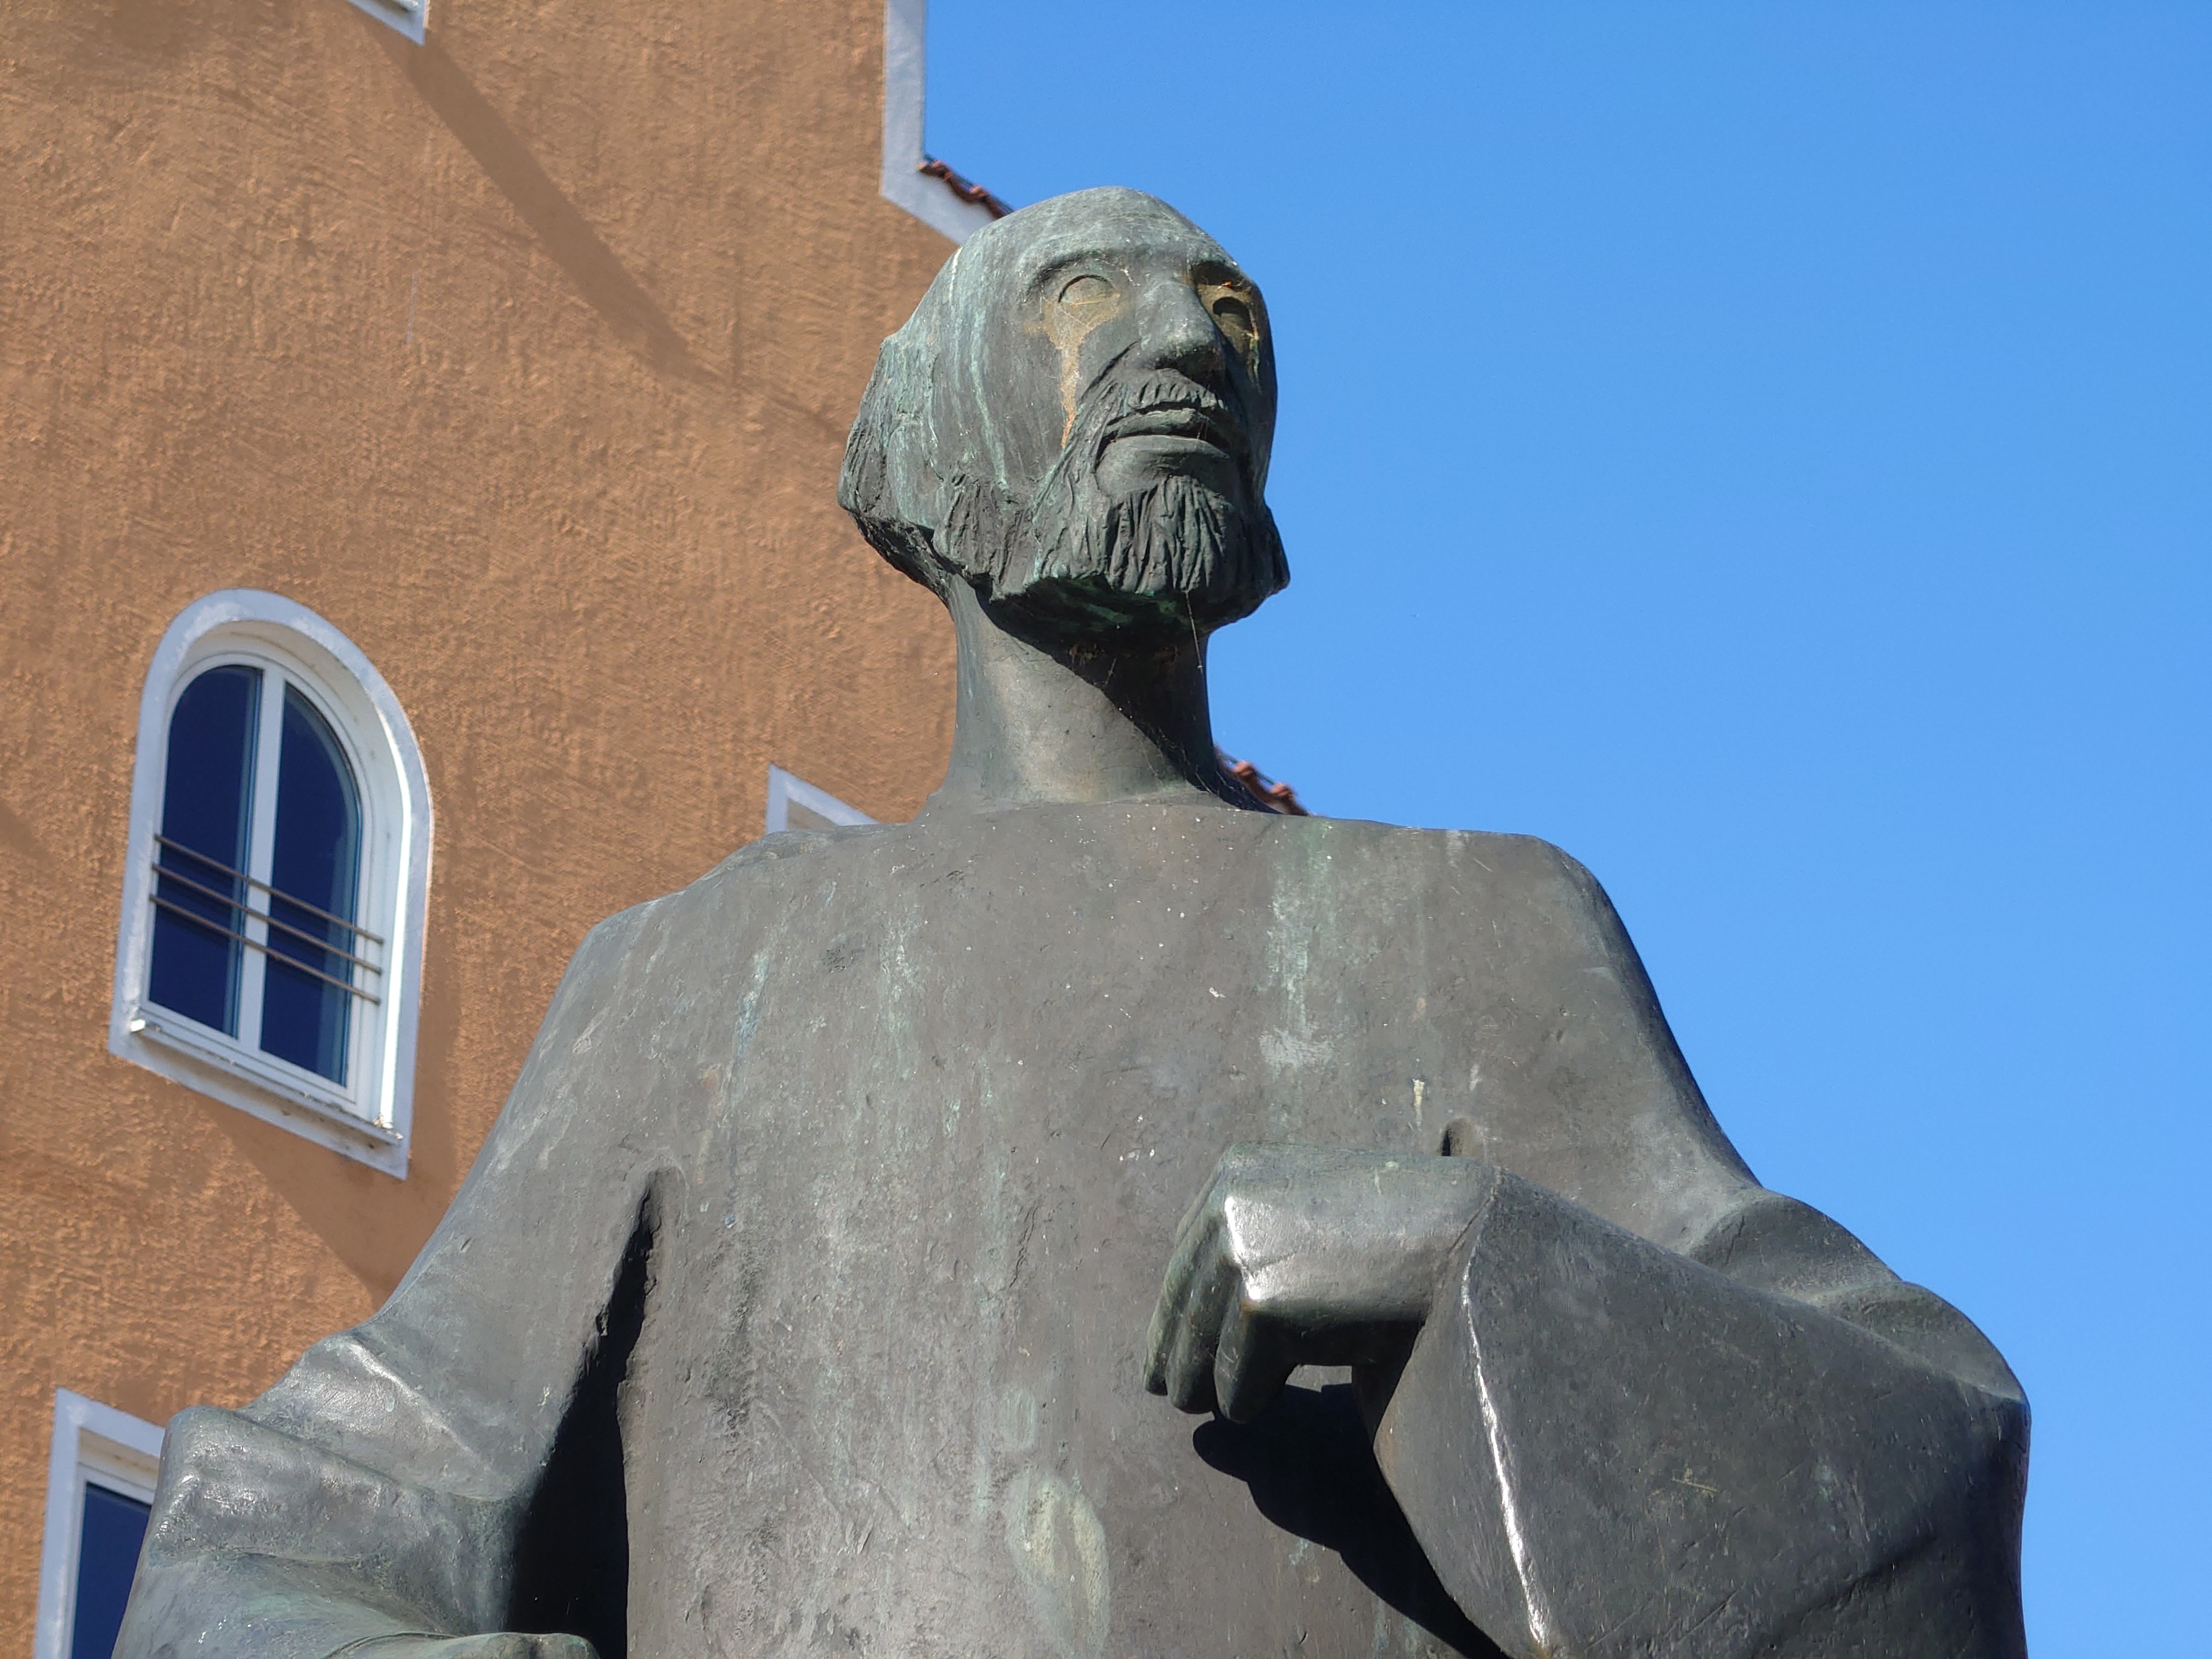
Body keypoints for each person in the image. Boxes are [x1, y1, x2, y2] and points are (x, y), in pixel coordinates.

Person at [119, 188, 2027, 1659]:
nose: (1185, 343)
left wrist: (1482, 1269)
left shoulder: (1482, 928)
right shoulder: (695, 977)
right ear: (930, 438)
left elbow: (1923, 1457)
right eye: (1085, 294)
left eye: (1231, 309)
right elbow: (284, 1536)